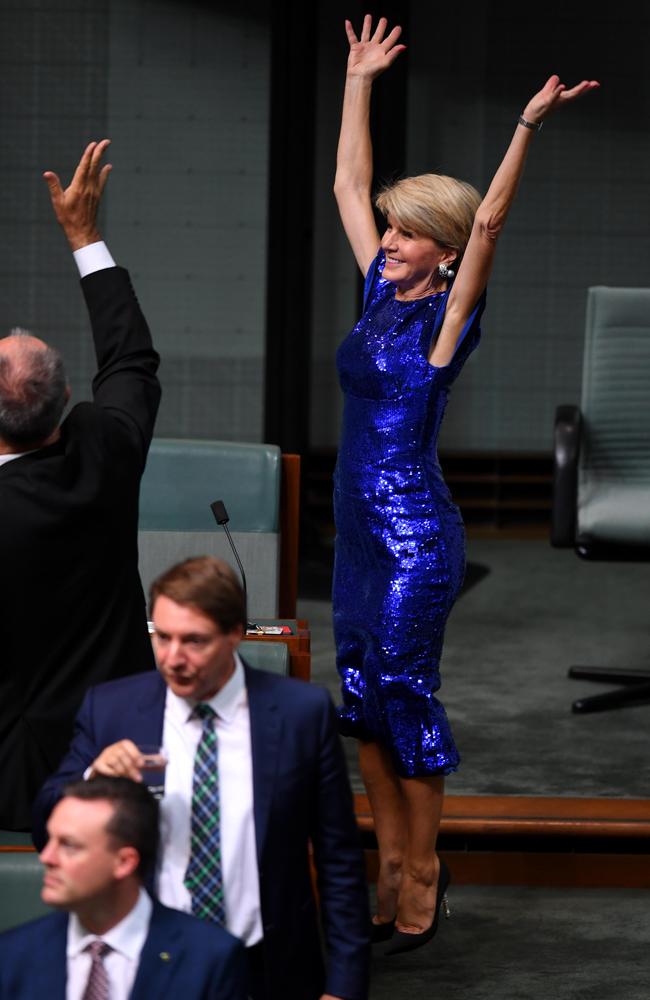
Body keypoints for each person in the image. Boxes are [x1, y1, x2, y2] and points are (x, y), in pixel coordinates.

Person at [332, 15, 599, 954]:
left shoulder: (447, 320)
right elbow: (348, 183)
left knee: (403, 688)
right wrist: (360, 78)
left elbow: (490, 220)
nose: (392, 239)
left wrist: (525, 124)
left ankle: (423, 875)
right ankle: (387, 866)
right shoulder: (376, 290)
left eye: (411, 233)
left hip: (412, 535)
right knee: (358, 695)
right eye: (392, 229)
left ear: (443, 251)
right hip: (356, 532)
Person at [33, 556, 370, 1000]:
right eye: (163, 637)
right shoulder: (112, 711)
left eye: (194, 641)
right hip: (148, 964)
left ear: (235, 634)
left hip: (267, 965)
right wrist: (95, 776)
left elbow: (339, 857)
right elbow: (45, 828)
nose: (174, 658)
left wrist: (345, 986)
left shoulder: (300, 714)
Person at [0, 140, 161, 830]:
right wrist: (85, 237)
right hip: (122, 745)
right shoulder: (105, 450)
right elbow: (130, 357)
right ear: (67, 396)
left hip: (16, 765)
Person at [0, 776, 246, 999]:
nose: (47, 857)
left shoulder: (208, 959)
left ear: (124, 862)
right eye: (50, 839)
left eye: (69, 845)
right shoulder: (13, 954)